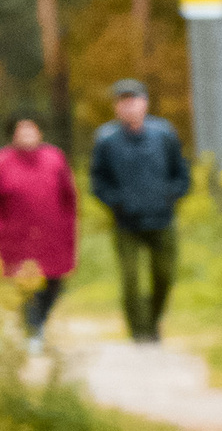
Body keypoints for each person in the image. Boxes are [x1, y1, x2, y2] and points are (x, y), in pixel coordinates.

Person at [88, 79, 192, 344]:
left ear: (144, 103)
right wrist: (116, 203)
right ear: (116, 107)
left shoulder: (164, 134)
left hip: (161, 218)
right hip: (126, 223)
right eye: (123, 101)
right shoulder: (106, 140)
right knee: (131, 280)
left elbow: (181, 172)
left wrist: (171, 196)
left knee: (164, 274)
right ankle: (140, 331)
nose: (129, 106)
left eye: (134, 100)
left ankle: (153, 320)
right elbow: (98, 181)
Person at [0, 113, 78, 339]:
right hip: (17, 236)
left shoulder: (54, 157)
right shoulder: (4, 161)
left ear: (39, 132)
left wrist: (69, 227)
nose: (26, 134)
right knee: (27, 286)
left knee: (54, 283)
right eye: (21, 130)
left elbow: (69, 196)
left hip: (53, 233)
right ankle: (33, 332)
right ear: (13, 134)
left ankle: (38, 323)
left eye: (31, 129)